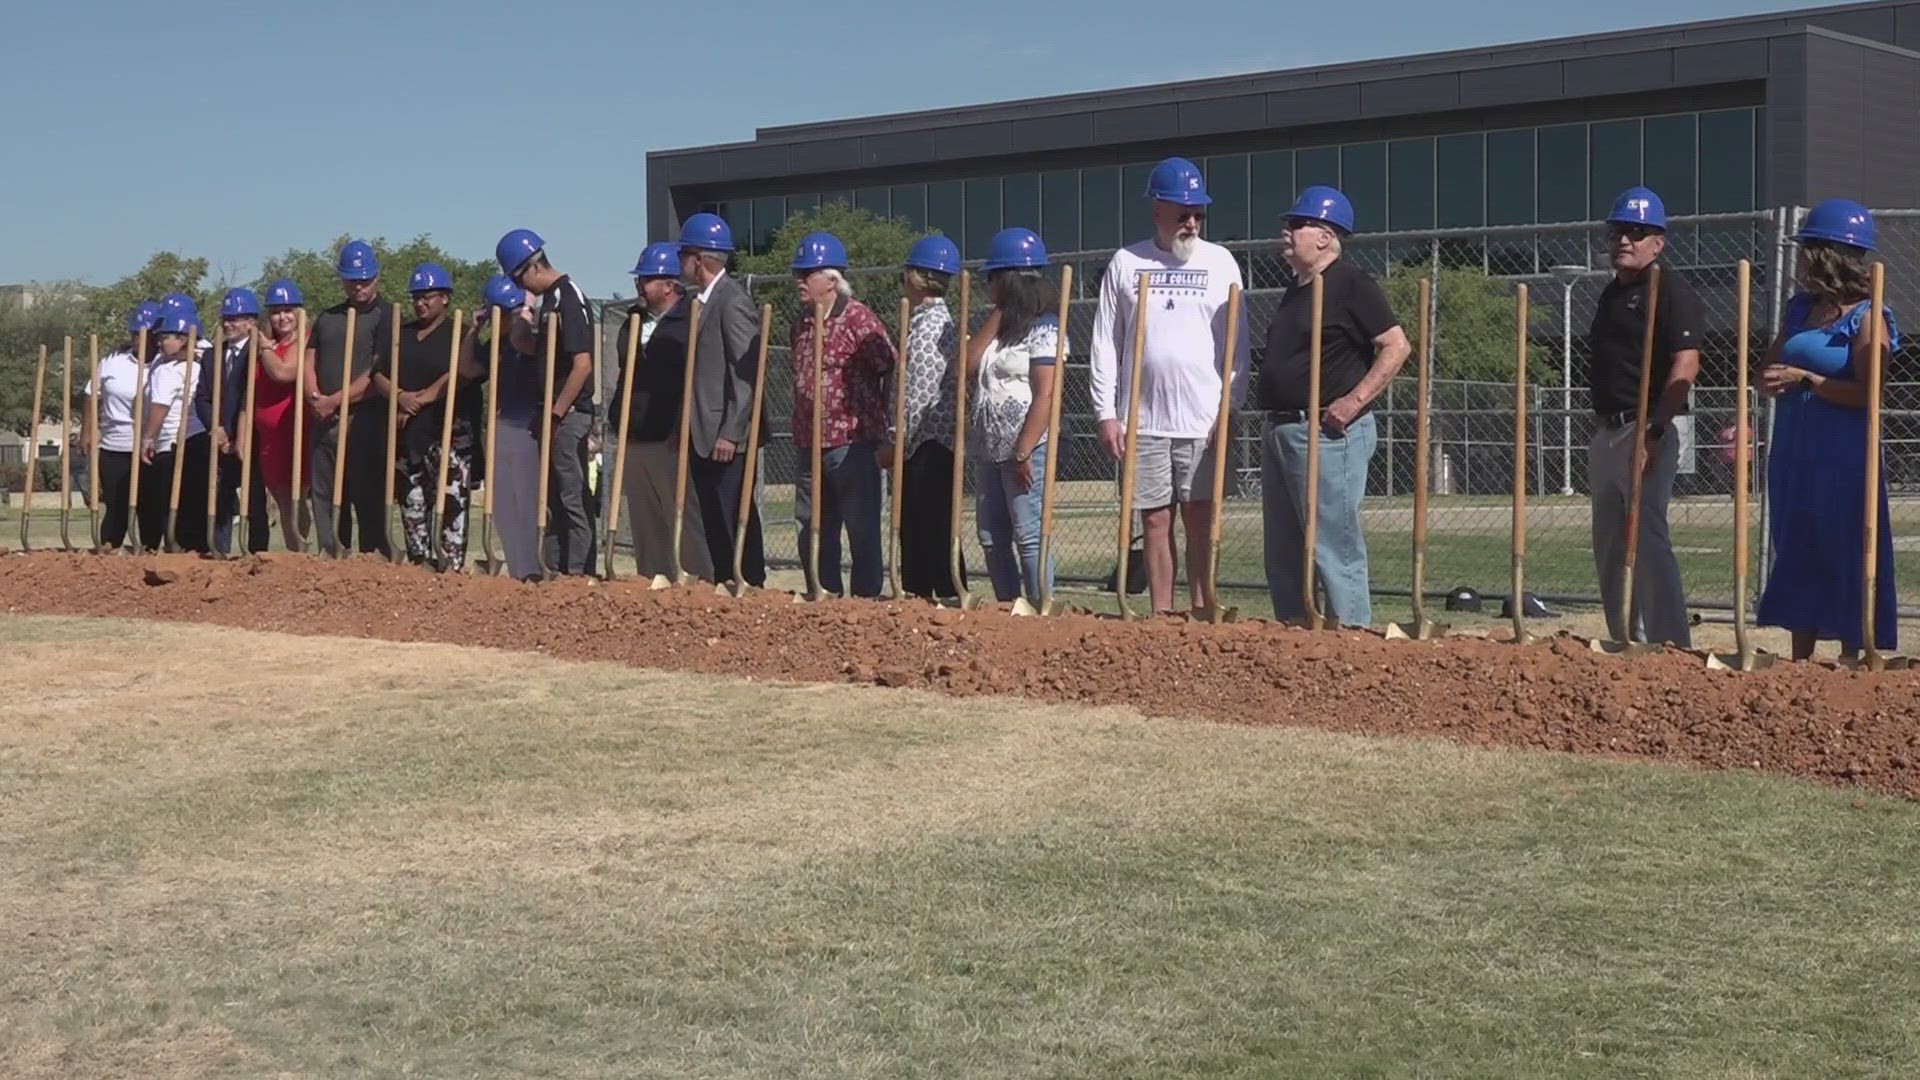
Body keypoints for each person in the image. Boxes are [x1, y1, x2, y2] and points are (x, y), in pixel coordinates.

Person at [1089, 156, 1250, 615]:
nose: (1192, 222)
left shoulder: (1221, 263)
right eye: (1183, 213)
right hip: (1143, 419)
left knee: (1200, 518)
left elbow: (1236, 347)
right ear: (1157, 209)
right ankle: (1162, 613)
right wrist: (1106, 412)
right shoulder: (1126, 263)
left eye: (1198, 213)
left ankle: (1202, 608)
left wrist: (1229, 409)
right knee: (1155, 518)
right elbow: (1105, 342)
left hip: (1203, 419)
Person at [1256, 185, 1410, 628]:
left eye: (1297, 224)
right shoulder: (1296, 288)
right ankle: (1297, 627)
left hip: (1325, 430)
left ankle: (1351, 631)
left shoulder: (1351, 283)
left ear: (1325, 236)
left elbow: (1396, 346)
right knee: (1283, 545)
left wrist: (1354, 400)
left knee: (1332, 538)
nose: (1287, 232)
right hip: (1282, 427)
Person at [1757, 199, 1898, 660]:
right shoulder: (1799, 309)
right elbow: (1770, 365)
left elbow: (1869, 393)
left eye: (1806, 250)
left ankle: (1855, 650)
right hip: (1796, 446)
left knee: (1846, 541)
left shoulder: (1868, 316)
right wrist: (1770, 378)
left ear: (1827, 255)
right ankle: (1802, 655)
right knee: (1798, 538)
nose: (1799, 260)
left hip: (1843, 451)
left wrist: (1810, 381)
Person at [1585, 186, 1700, 648]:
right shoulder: (1612, 293)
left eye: (1636, 233)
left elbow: (1686, 363)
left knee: (1647, 534)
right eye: (1617, 233)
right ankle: (1625, 636)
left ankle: (1671, 642)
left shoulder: (1670, 289)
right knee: (1610, 539)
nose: (1624, 242)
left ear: (1658, 242)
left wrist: (1653, 431)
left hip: (1647, 426)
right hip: (1607, 427)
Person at [787, 230, 895, 598]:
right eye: (798, 275)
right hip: (807, 443)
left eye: (807, 275)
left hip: (851, 444)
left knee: (861, 527)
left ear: (832, 280)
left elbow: (889, 369)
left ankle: (864, 602)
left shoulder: (859, 320)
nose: (799, 282)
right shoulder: (801, 324)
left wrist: (881, 427)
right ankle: (822, 594)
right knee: (813, 525)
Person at [964, 228, 1060, 605]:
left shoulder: (1046, 328)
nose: (987, 285)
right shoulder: (1002, 328)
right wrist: (1000, 314)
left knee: (1028, 533)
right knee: (991, 536)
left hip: (1026, 447)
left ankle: (1041, 609)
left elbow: (1046, 394)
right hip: (989, 446)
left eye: (992, 278)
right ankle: (1009, 607)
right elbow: (968, 365)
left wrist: (1023, 451)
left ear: (1007, 280)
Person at [497, 228, 597, 576]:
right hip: (549, 414)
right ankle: (554, 568)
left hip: (568, 414)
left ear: (534, 266)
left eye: (520, 278)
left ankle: (578, 572)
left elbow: (582, 365)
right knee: (551, 497)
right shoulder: (545, 302)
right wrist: (523, 318)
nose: (522, 288)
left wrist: (556, 413)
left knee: (571, 496)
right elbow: (527, 347)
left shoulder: (568, 296)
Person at [676, 212, 768, 587]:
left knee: (734, 512)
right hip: (702, 432)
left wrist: (732, 431)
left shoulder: (731, 302)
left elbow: (746, 373)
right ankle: (723, 580)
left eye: (684, 255)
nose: (680, 263)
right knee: (714, 515)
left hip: (725, 435)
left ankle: (749, 582)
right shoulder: (700, 302)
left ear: (699, 259)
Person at [611, 242, 711, 580]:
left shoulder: (690, 319)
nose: (640, 286)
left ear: (670, 285)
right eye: (639, 280)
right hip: (635, 431)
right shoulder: (633, 321)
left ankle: (695, 580)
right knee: (644, 518)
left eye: (647, 280)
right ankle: (651, 578)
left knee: (682, 514)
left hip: (671, 436)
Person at [374, 263, 479, 570]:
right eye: (416, 297)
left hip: (449, 434)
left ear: (445, 298)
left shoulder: (458, 334)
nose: (420, 303)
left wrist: (419, 400)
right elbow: (378, 374)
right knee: (412, 505)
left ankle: (451, 567)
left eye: (427, 296)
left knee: (451, 506)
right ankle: (418, 564)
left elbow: (460, 376)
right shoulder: (401, 335)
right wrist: (401, 397)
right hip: (409, 437)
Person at [305, 239, 394, 557]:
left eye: (365, 279)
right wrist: (316, 396)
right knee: (325, 495)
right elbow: (309, 358)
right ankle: (331, 552)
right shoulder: (328, 317)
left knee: (367, 494)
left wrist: (338, 399)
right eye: (352, 279)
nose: (359, 286)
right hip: (323, 419)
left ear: (376, 276)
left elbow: (378, 373)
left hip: (364, 421)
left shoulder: (387, 315)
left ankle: (373, 557)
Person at [459, 273, 544, 580]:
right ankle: (517, 567)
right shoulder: (494, 344)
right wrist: (474, 328)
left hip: (527, 427)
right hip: (498, 425)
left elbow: (527, 342)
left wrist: (525, 314)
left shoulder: (532, 337)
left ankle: (533, 568)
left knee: (528, 502)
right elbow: (466, 368)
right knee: (503, 504)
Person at [895, 234, 964, 601]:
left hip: (926, 442)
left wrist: (897, 441)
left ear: (917, 278)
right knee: (927, 522)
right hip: (932, 441)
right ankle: (931, 590)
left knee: (928, 524)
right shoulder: (932, 321)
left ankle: (938, 592)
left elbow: (917, 394)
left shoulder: (928, 328)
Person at [86, 302, 169, 550]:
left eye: (147, 335)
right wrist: (87, 430)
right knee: (115, 504)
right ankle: (109, 548)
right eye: (135, 334)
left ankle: (149, 549)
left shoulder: (168, 364)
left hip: (150, 448)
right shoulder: (112, 362)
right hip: (115, 445)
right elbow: (91, 394)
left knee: (150, 505)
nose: (140, 340)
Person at [144, 305, 213, 553]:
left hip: (173, 442)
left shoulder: (167, 370)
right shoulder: (202, 363)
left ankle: (181, 547)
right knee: (195, 499)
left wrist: (147, 438)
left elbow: (159, 407)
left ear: (183, 338)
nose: (161, 343)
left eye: (166, 337)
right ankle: (197, 546)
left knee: (174, 502)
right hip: (199, 439)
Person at [251, 279, 312, 550]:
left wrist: (264, 346)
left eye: (288, 310)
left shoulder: (304, 342)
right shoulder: (268, 347)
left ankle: (298, 550)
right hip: (268, 437)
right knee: (280, 496)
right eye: (276, 312)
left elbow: (284, 373)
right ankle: (294, 548)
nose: (282, 317)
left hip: (294, 432)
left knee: (293, 497)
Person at [207, 287, 266, 554]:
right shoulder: (212, 355)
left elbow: (253, 398)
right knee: (221, 499)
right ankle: (221, 550)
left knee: (254, 500)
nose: (229, 324)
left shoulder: (260, 353)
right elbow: (202, 398)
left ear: (251, 322)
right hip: (220, 439)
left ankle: (256, 551)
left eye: (236, 319)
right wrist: (218, 429)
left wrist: (238, 434)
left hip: (251, 438)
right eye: (226, 319)